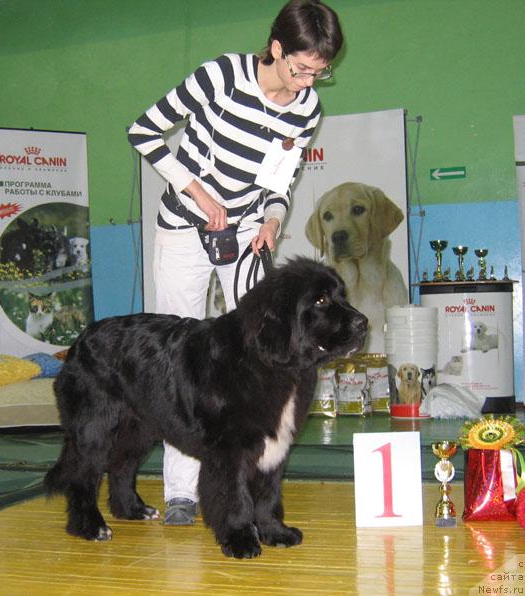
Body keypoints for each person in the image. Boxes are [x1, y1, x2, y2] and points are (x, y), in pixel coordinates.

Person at [128, 0, 343, 525]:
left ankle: (253, 480)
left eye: (320, 72)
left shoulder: (306, 107)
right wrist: (199, 195)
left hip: (247, 231)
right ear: (276, 48)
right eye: (302, 69)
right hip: (185, 222)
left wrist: (272, 218)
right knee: (182, 355)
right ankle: (181, 490)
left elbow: (280, 177)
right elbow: (144, 133)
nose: (308, 83)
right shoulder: (219, 76)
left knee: (260, 346)